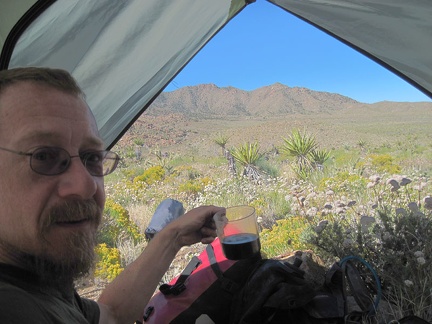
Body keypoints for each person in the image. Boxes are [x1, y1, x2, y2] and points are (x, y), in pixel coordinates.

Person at [0, 67, 222, 323]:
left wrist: (173, 236)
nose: (87, 186)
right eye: (44, 157)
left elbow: (111, 316)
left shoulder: (37, 283)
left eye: (92, 158)